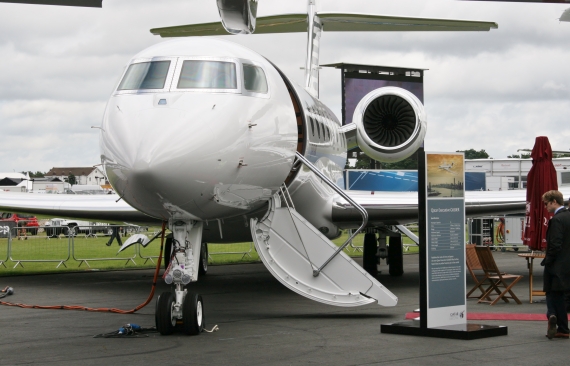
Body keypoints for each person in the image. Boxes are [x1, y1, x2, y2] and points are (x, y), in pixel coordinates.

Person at [541, 190, 570, 339]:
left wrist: (548, 260)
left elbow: (555, 244)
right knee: (561, 296)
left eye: (546, 203)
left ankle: (552, 315)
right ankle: (563, 328)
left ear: (553, 201)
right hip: (568, 264)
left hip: (557, 264)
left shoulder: (557, 220)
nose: (545, 206)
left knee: (551, 293)